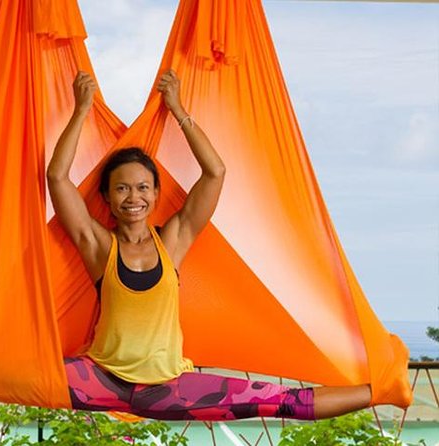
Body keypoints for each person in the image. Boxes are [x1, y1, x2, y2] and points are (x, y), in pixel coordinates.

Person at [46, 69, 372, 421]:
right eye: (122, 188)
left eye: (143, 187)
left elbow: (215, 171)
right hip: (100, 379)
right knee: (9, 370)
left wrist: (178, 109)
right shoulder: (97, 245)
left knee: (285, 402)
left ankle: (382, 391)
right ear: (107, 197)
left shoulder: (173, 240)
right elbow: (57, 177)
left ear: (156, 194)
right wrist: (81, 111)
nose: (133, 197)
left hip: (168, 388)